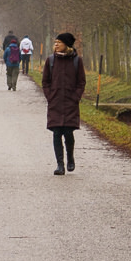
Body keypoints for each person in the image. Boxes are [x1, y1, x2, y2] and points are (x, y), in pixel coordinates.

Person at [42, 31, 85, 175]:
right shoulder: (51, 60)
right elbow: (45, 81)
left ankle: (70, 158)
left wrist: (76, 97)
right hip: (55, 103)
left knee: (68, 133)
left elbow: (81, 82)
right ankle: (60, 164)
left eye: (58, 43)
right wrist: (50, 96)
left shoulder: (76, 61)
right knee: (56, 133)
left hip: (70, 103)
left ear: (66, 45)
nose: (55, 45)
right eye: (55, 43)